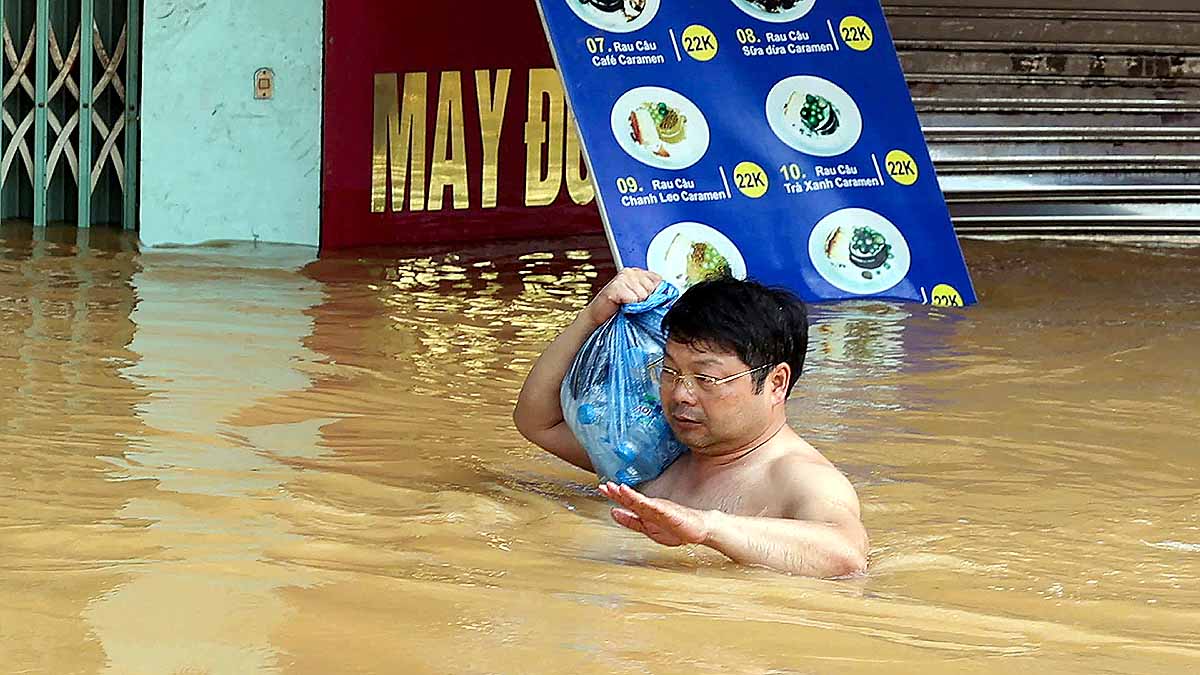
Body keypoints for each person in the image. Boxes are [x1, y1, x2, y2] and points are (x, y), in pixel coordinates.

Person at [513, 268, 869, 578]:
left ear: (776, 383)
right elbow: (539, 422)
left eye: (706, 378)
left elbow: (846, 555)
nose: (680, 394)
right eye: (669, 370)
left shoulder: (798, 476)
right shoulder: (662, 448)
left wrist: (706, 527)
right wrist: (591, 317)